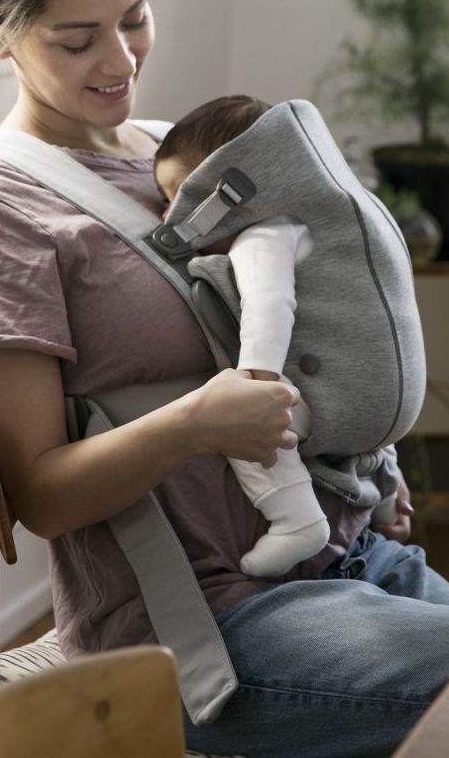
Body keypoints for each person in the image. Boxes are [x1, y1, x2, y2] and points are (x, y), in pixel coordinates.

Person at [0, 0, 449, 758]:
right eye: (76, 39)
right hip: (203, 632)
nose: (120, 59)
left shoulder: (176, 154)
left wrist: (364, 468)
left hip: (346, 557)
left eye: (136, 18)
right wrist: (196, 424)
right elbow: (40, 496)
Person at [153, 93, 412, 579]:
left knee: (239, 424)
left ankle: (296, 520)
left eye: (180, 196)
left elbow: (270, 304)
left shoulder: (263, 235)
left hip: (339, 396)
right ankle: (384, 500)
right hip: (391, 405)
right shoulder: (339, 215)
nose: (169, 216)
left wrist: (258, 375)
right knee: (359, 435)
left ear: (226, 191)